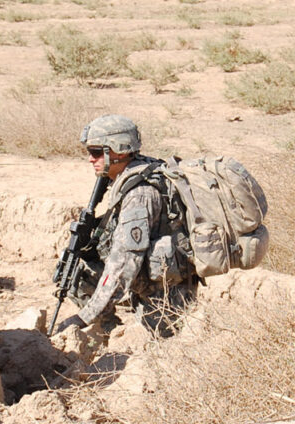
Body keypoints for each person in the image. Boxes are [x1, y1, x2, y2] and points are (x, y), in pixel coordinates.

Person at [53, 114, 198, 336]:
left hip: (165, 291)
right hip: (149, 273)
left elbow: (124, 264)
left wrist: (85, 316)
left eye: (95, 152)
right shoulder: (134, 171)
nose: (90, 159)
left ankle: (115, 332)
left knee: (163, 341)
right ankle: (109, 331)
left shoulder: (139, 193)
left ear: (117, 151)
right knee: (74, 272)